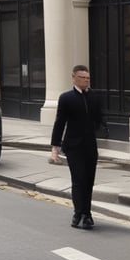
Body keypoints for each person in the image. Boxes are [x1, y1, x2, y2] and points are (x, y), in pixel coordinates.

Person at [50, 65, 103, 229]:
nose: (86, 81)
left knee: (88, 181)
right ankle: (80, 213)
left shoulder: (94, 96)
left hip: (90, 146)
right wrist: (55, 147)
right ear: (74, 78)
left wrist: (99, 128)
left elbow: (99, 118)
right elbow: (60, 122)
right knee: (78, 180)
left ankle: (85, 214)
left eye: (88, 78)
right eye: (82, 78)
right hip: (73, 146)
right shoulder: (66, 98)